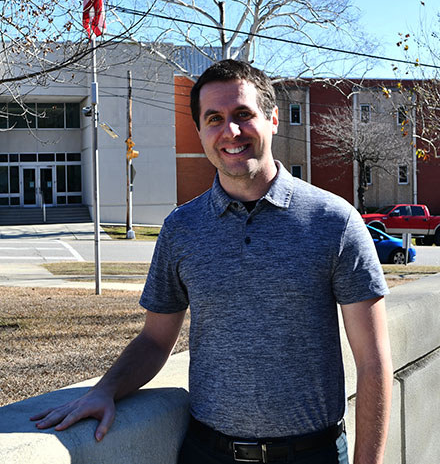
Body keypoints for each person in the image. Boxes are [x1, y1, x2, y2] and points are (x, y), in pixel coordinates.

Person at [31, 59, 393, 464]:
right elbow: (154, 340)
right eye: (214, 119)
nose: (231, 131)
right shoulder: (181, 229)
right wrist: (105, 389)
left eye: (243, 114)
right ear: (201, 132)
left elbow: (374, 360)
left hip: (313, 454)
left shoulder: (335, 221)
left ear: (273, 119)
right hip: (207, 453)